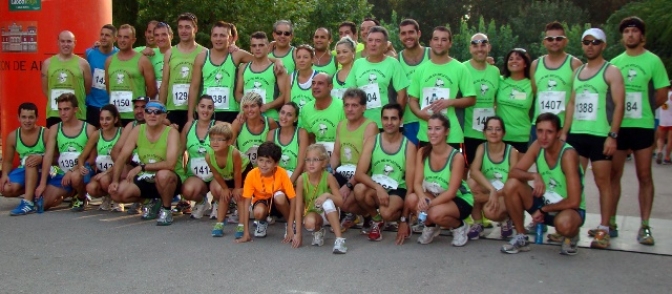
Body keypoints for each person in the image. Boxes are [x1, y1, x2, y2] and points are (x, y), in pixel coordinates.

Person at [608, 17, 670, 246]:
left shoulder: (653, 61)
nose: (630, 35)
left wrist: (644, 108)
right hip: (619, 127)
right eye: (626, 31)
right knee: (614, 175)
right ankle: (610, 222)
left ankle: (645, 225)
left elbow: (662, 94)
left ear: (642, 36)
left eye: (634, 31)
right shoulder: (615, 62)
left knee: (644, 175)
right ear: (622, 36)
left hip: (642, 126)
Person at [562, 28, 625, 249]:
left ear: (603, 45)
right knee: (574, 181)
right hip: (578, 134)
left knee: (602, 182)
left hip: (600, 135)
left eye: (595, 42)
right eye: (586, 42)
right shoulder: (578, 72)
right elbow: (571, 103)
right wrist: (564, 132)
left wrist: (612, 136)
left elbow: (619, 105)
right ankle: (572, 228)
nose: (590, 46)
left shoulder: (612, 71)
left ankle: (604, 229)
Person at [501, 113, 586, 255]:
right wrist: (534, 175)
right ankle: (521, 236)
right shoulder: (537, 146)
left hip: (569, 209)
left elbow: (574, 201)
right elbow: (513, 172)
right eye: (540, 131)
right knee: (511, 185)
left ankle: (572, 235)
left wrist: (543, 210)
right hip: (545, 203)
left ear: (559, 133)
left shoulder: (568, 155)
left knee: (564, 225)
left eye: (549, 132)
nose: (543, 137)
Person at [188, 21, 284, 124]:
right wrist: (190, 117)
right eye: (215, 35)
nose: (218, 38)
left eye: (222, 35)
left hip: (231, 111)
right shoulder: (202, 57)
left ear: (229, 38)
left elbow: (260, 58)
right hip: (207, 111)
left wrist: (277, 60)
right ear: (211, 37)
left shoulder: (236, 55)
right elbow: (194, 87)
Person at [108, 101, 185, 226]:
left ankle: (166, 209)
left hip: (170, 179)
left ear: (165, 116)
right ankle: (150, 201)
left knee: (163, 175)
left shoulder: (171, 133)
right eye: (149, 111)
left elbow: (170, 164)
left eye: (157, 112)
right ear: (144, 114)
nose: (152, 115)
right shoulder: (137, 130)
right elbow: (121, 157)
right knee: (117, 193)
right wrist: (115, 181)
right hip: (147, 177)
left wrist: (142, 167)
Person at [403, 113, 473, 246]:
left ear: (447, 131)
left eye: (437, 128)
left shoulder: (456, 156)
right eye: (430, 128)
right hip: (436, 194)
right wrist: (422, 198)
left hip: (459, 199)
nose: (432, 133)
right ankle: (430, 226)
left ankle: (459, 227)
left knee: (433, 213)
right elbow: (417, 183)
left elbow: (451, 192)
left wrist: (429, 205)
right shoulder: (422, 152)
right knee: (412, 199)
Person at [354, 103, 417, 241]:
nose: (389, 123)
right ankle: (376, 220)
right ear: (381, 120)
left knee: (386, 212)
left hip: (397, 189)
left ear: (401, 121)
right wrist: (378, 188)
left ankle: (402, 219)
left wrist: (404, 219)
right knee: (358, 190)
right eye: (385, 118)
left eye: (393, 118)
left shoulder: (409, 146)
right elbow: (359, 173)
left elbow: (410, 186)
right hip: (377, 187)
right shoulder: (372, 141)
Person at [408, 26, 476, 151]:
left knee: (453, 170)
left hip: (452, 134)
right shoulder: (421, 70)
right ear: (430, 42)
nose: (439, 43)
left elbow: (471, 99)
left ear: (450, 43)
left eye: (444, 40)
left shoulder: (460, 68)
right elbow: (412, 99)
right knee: (424, 170)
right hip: (426, 132)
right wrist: (419, 113)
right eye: (436, 39)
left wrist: (450, 102)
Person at [35, 94, 97, 212]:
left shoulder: (89, 128)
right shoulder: (54, 129)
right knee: (42, 205)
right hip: (62, 173)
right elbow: (48, 156)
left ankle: (81, 196)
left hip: (81, 170)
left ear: (75, 110)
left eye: (66, 109)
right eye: (60, 109)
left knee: (75, 177)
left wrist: (72, 169)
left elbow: (92, 158)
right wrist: (42, 184)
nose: (63, 113)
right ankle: (69, 192)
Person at [330, 89, 379, 231]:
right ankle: (355, 214)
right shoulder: (341, 125)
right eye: (346, 105)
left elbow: (366, 164)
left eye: (354, 105)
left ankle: (371, 216)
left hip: (363, 175)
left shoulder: (370, 126)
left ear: (364, 107)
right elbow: (337, 155)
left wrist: (349, 185)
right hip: (344, 171)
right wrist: (328, 172)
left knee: (344, 200)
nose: (350, 109)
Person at [345, 26, 409, 129]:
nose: (373, 44)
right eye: (370, 40)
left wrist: (395, 119)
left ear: (385, 45)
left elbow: (402, 96)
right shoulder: (358, 64)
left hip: (386, 125)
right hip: (362, 123)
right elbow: (350, 93)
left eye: (378, 41)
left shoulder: (393, 64)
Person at [466, 116, 519, 239]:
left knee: (490, 212)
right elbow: (474, 171)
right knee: (471, 183)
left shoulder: (512, 152)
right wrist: (491, 190)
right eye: (489, 129)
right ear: (484, 133)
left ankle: (506, 219)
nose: (493, 132)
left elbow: (513, 182)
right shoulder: (481, 148)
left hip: (505, 192)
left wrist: (491, 195)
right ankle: (478, 224)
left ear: (504, 133)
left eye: (498, 129)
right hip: (491, 189)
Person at [529, 21, 583, 139]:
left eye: (558, 38)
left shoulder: (575, 64)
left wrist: (565, 131)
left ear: (565, 41)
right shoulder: (535, 65)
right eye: (550, 39)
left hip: (564, 128)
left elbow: (578, 98)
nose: (554, 42)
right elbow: (535, 93)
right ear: (544, 42)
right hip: (539, 127)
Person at [236, 142, 297, 243]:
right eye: (261, 160)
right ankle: (262, 222)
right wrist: (246, 233)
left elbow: (293, 198)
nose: (263, 165)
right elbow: (246, 203)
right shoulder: (252, 174)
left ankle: (289, 224)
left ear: (276, 163)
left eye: (268, 162)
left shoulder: (282, 173)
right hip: (262, 202)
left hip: (278, 204)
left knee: (279, 197)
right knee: (258, 212)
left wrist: (291, 224)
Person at [295, 144, 348, 253]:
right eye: (308, 160)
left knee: (328, 202)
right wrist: (298, 234)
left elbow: (340, 202)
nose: (311, 163)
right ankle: (318, 231)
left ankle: (339, 240)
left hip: (329, 213)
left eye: (315, 160)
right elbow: (299, 206)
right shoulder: (301, 179)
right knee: (309, 223)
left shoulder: (328, 177)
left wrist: (327, 195)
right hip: (313, 212)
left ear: (324, 162)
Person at [159, 12, 207, 131]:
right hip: (174, 108)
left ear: (195, 29)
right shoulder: (170, 53)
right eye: (180, 27)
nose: (183, 31)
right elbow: (164, 84)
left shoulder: (204, 52)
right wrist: (160, 109)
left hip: (196, 109)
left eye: (187, 27)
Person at [74, 104, 123, 212]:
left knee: (105, 179)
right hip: (101, 172)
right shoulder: (97, 134)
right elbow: (82, 156)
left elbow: (124, 160)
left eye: (108, 119)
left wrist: (105, 173)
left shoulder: (122, 132)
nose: (104, 122)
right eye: (102, 119)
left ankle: (117, 200)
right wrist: (81, 166)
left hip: (118, 172)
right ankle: (107, 197)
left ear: (115, 119)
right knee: (91, 188)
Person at [105, 24, 157, 126]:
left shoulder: (143, 60)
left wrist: (141, 106)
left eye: (126, 37)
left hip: (135, 116)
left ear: (133, 40)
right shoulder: (109, 60)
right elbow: (108, 87)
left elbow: (152, 89)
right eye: (119, 36)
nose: (122, 40)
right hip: (115, 115)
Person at [1, 103, 47, 215]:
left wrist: (41, 158)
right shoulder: (13, 136)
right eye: (24, 117)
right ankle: (32, 192)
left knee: (30, 162)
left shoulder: (45, 133)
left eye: (31, 117)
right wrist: (5, 175)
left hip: (44, 170)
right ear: (18, 118)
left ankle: (28, 202)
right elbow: (7, 161)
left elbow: (56, 157)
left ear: (37, 118)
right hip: (24, 170)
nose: (27, 121)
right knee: (6, 189)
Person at [462, 33, 501, 167]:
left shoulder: (495, 71)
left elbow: (497, 99)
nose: (479, 49)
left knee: (487, 173)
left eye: (483, 45)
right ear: (470, 49)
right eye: (475, 45)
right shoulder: (462, 68)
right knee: (468, 172)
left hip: (490, 134)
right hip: (468, 132)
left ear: (488, 47)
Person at [42, 30, 92, 127]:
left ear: (74, 43)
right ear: (58, 42)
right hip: (54, 113)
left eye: (69, 41)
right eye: (62, 41)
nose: (66, 44)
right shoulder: (47, 63)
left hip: (77, 113)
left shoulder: (83, 64)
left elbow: (87, 89)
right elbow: (45, 89)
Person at [208, 123, 251, 237]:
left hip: (243, 171)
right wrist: (225, 188)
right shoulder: (208, 156)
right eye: (212, 139)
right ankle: (219, 223)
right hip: (226, 173)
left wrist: (237, 188)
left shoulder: (234, 153)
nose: (215, 142)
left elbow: (237, 172)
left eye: (220, 139)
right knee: (224, 195)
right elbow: (216, 174)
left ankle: (242, 225)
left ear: (228, 142)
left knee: (239, 196)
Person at [235, 31, 290, 121]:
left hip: (270, 118)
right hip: (247, 118)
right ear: (251, 48)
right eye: (254, 46)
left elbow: (285, 95)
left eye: (261, 45)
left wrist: (268, 106)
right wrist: (249, 104)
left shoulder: (277, 68)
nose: (257, 48)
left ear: (268, 47)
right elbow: (238, 93)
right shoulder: (243, 68)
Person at [180, 95, 217, 219]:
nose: (205, 110)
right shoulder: (188, 126)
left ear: (213, 110)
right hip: (195, 176)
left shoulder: (218, 126)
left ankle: (218, 202)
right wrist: (181, 175)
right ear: (196, 108)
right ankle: (202, 203)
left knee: (219, 189)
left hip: (216, 175)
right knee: (187, 190)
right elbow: (180, 151)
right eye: (202, 106)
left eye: (209, 107)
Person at [398, 19, 431, 145]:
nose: (408, 36)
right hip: (409, 120)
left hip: (431, 119)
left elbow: (454, 68)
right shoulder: (397, 60)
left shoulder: (432, 54)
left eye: (411, 32)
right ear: (400, 36)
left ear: (419, 33)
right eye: (403, 33)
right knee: (411, 161)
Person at [496, 48, 533, 154]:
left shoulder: (532, 83)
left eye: (518, 59)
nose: (514, 61)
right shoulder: (499, 80)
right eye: (510, 59)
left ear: (525, 64)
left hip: (521, 136)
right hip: (499, 136)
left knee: (516, 170)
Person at [299, 73, 345, 158]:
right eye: (313, 83)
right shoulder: (306, 109)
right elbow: (310, 138)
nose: (315, 86)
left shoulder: (342, 107)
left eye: (320, 83)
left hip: (341, 154)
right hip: (318, 158)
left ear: (330, 87)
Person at [232, 92, 279, 167]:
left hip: (264, 169)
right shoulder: (238, 123)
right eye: (246, 107)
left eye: (253, 106)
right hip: (244, 168)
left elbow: (277, 148)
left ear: (260, 107)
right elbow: (228, 146)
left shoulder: (270, 123)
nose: (249, 110)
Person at [85, 24, 119, 127]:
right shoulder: (89, 53)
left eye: (107, 35)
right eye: (102, 34)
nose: (103, 37)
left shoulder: (119, 54)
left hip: (112, 105)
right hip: (92, 105)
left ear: (115, 38)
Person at [267, 102, 308, 184]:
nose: (284, 117)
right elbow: (268, 162)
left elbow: (301, 164)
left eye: (289, 115)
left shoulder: (301, 133)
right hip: (276, 179)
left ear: (295, 118)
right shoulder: (271, 134)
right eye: (282, 113)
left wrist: (288, 185)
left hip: (294, 180)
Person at [147, 22, 173, 98]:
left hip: (172, 99)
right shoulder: (149, 54)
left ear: (171, 36)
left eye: (164, 34)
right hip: (154, 101)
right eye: (157, 35)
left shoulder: (178, 53)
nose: (160, 38)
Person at [289, 45, 318, 109]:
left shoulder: (319, 78)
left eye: (305, 57)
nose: (301, 60)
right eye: (298, 57)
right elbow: (287, 103)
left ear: (312, 59)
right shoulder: (291, 78)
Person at [655, 87, 672, 164]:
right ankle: (667, 157)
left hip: (663, 121)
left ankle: (659, 151)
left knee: (660, 138)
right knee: (670, 140)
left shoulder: (663, 96)